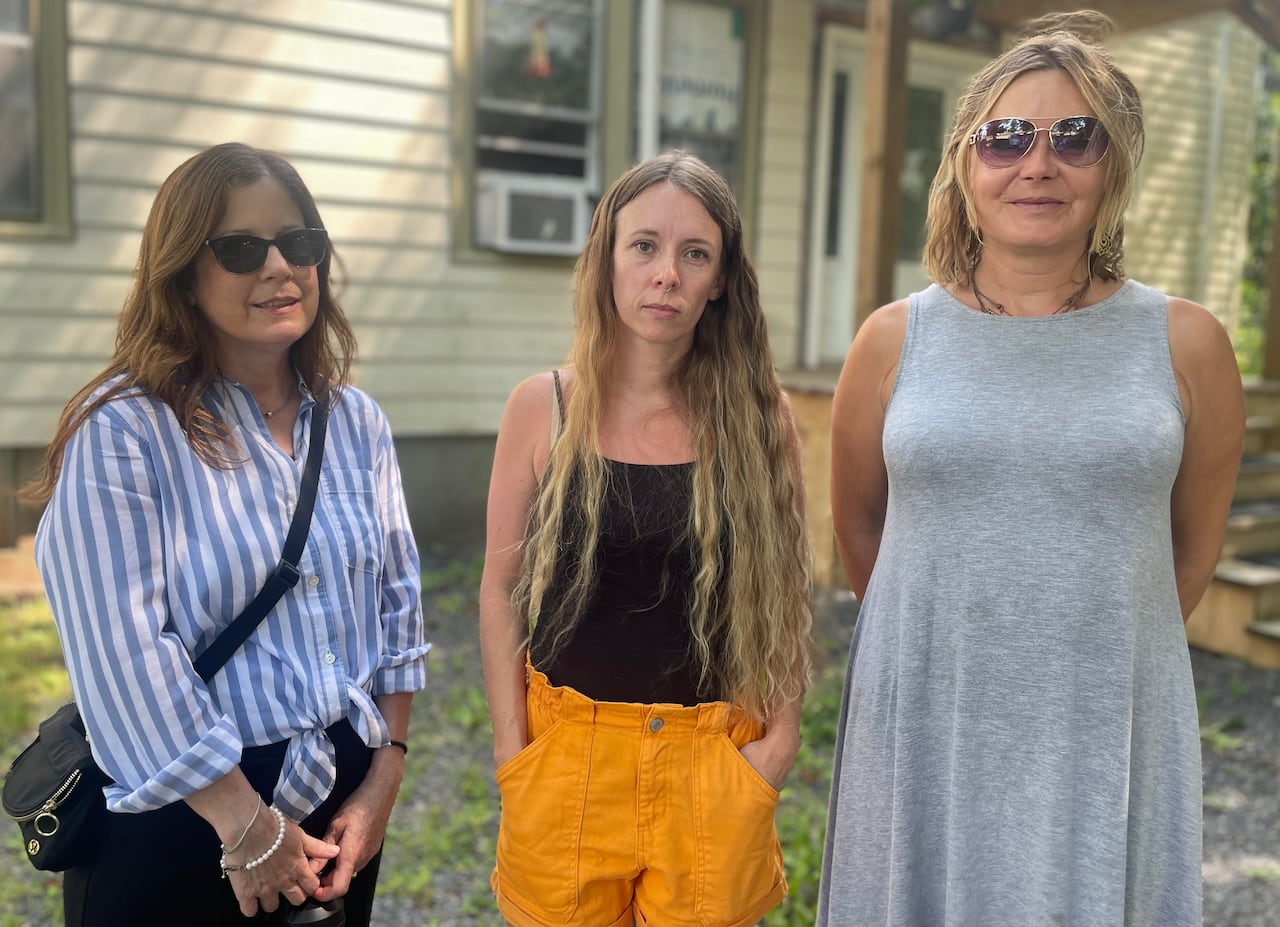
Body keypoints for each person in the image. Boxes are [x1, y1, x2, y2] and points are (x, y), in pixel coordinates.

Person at [819, 11, 1244, 926]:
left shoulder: (1188, 345)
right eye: (1006, 137)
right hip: (928, 715)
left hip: (1103, 726)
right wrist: (946, 636)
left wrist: (1070, 648)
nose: (1037, 165)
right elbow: (861, 529)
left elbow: (1188, 556)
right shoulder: (894, 339)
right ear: (967, 168)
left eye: (1074, 138)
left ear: (1114, 167)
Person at [25, 142, 428, 926]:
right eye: (243, 248)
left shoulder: (357, 425)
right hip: (188, 812)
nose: (280, 267)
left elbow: (398, 608)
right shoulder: (125, 431)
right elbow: (122, 652)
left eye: (300, 243)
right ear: (182, 271)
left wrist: (383, 777)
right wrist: (246, 824)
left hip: (339, 806)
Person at [478, 150, 813, 927]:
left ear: (720, 279)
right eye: (645, 246)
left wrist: (781, 741)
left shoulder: (761, 418)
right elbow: (498, 589)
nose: (667, 273)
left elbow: (786, 585)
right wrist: (511, 751)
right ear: (607, 259)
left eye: (695, 253)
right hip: (566, 758)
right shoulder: (542, 407)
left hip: (712, 760)